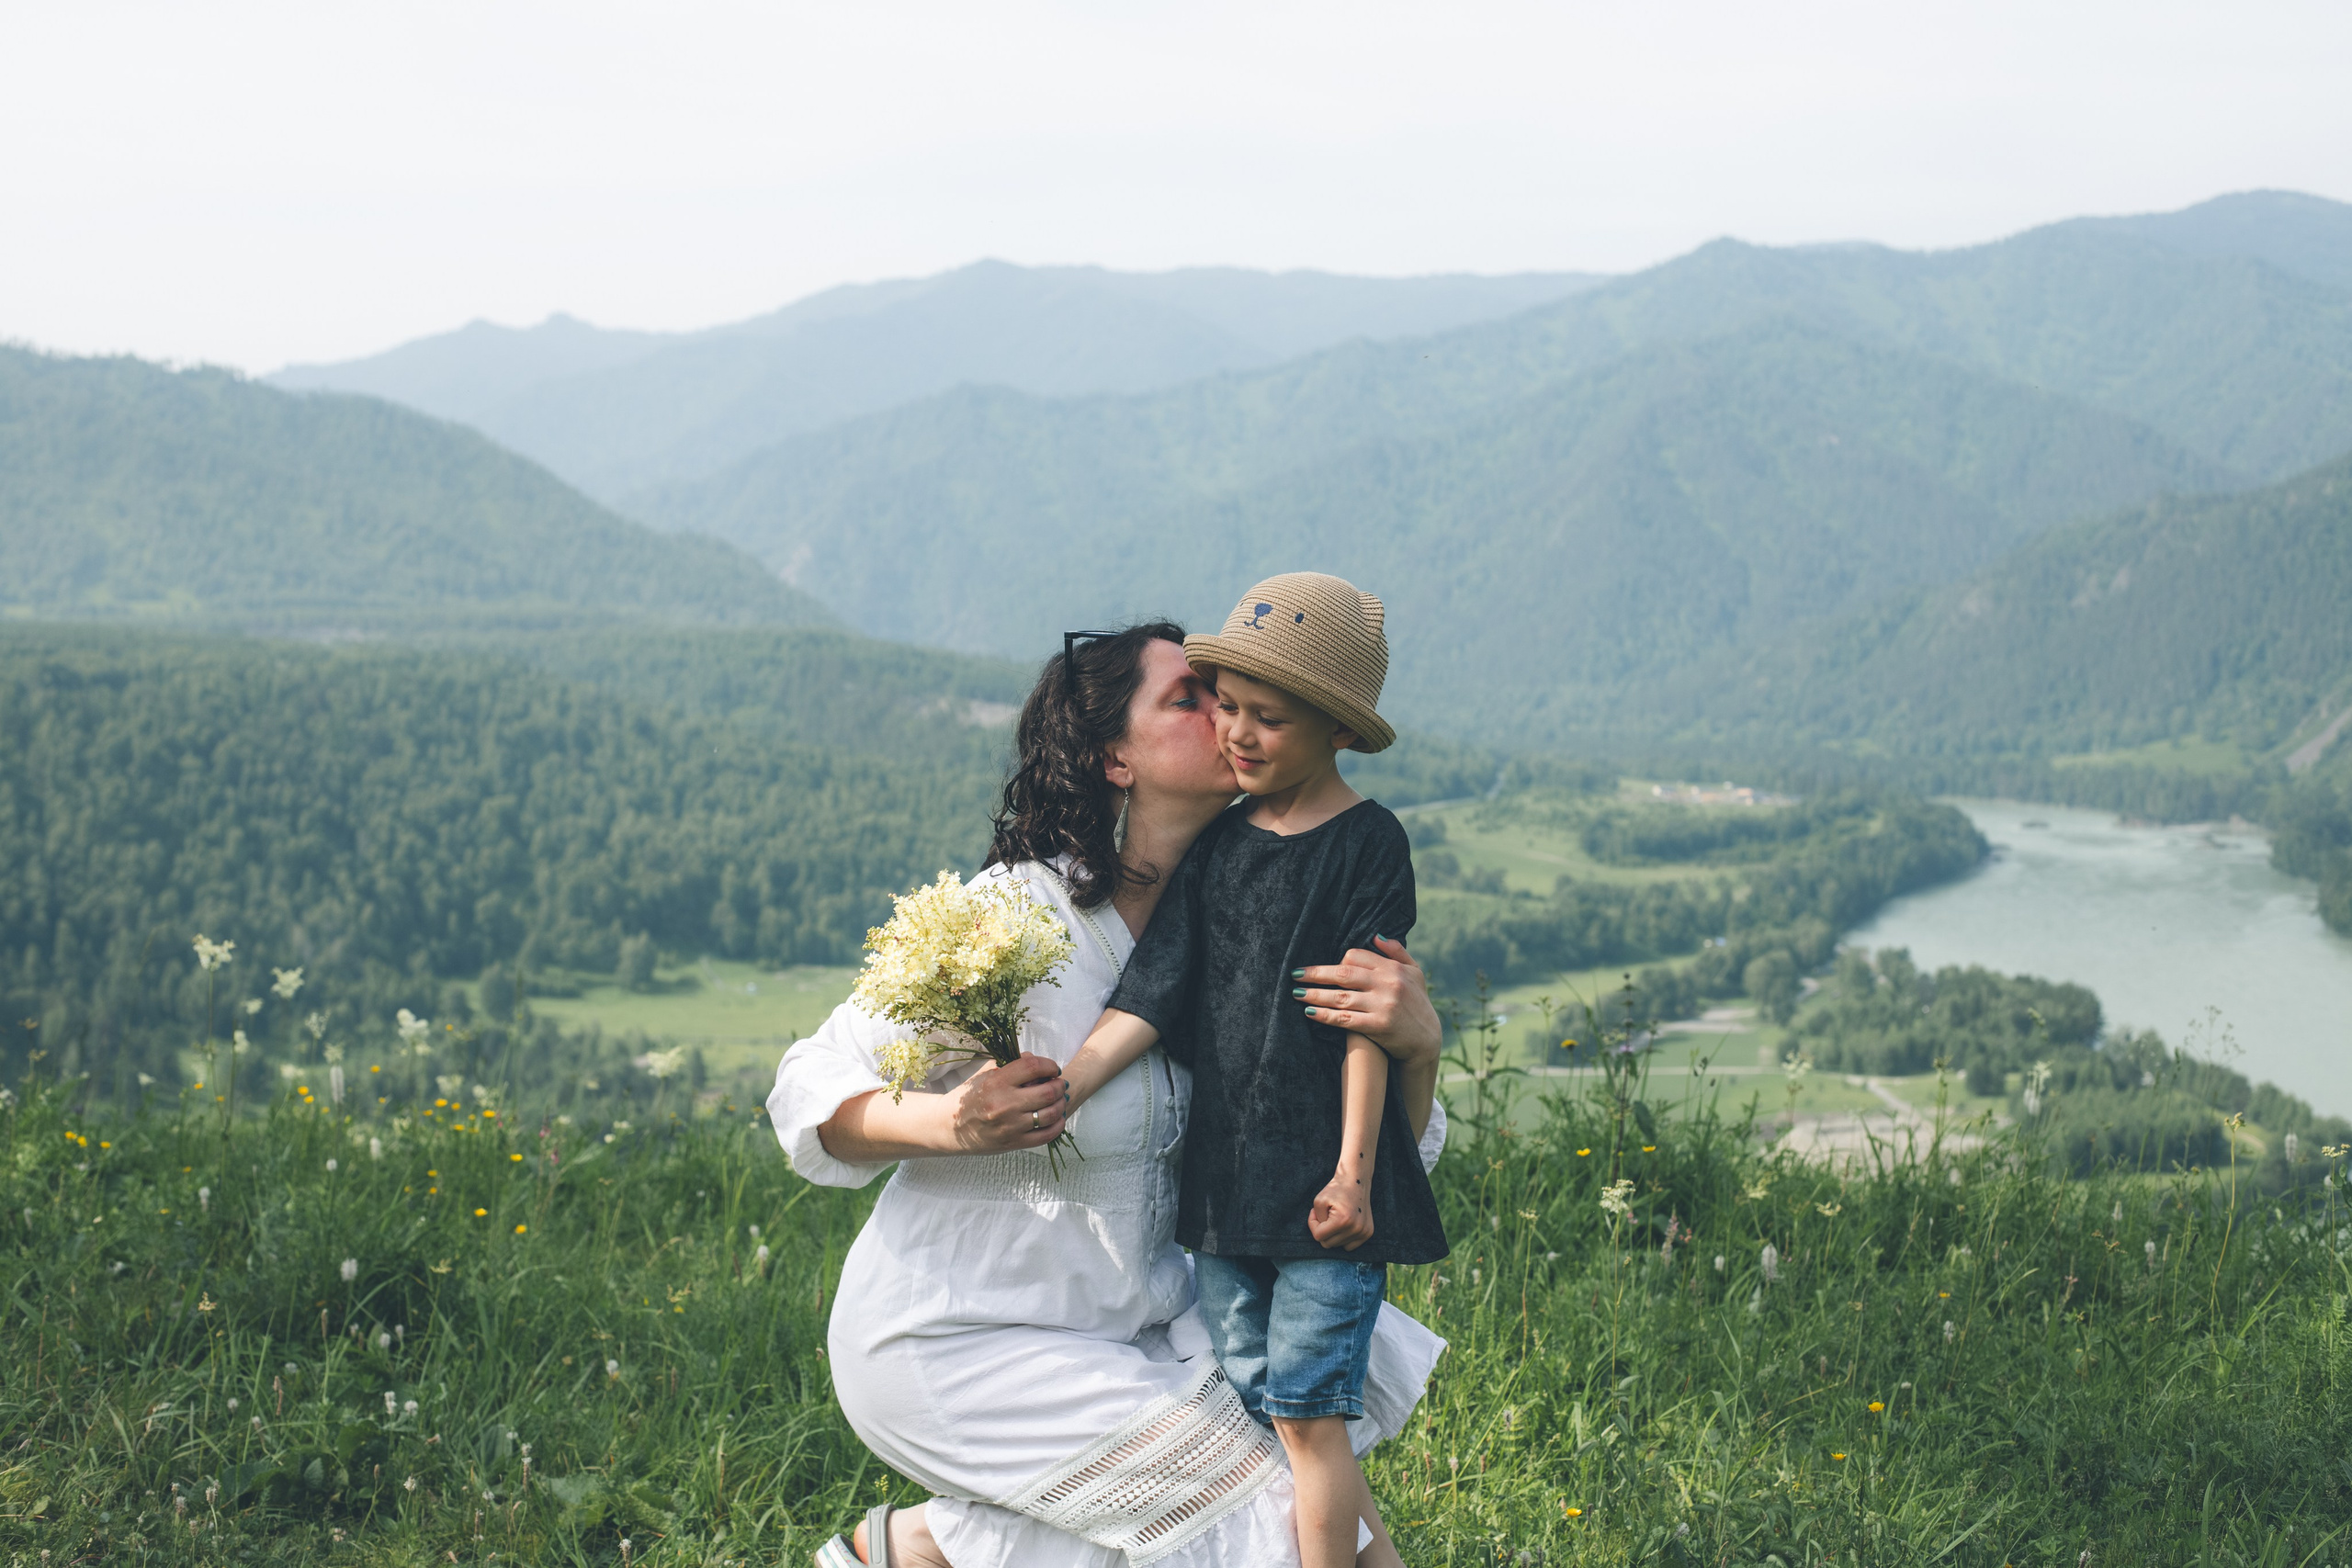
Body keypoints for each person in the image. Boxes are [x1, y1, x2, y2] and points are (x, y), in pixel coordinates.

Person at [769, 621, 1450, 1568]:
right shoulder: (1007, 923)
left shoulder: (1259, 906)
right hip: (962, 1338)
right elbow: (812, 1084)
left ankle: (915, 1553)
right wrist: (955, 1123)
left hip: (1140, 1330)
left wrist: (1416, 1050)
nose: (1230, 715)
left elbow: (1376, 1160)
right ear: (1113, 760)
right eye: (1190, 697)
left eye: (1237, 695)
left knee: (1261, 1484)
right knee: (1262, 1518)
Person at [1063, 575, 1446, 1568]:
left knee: (1310, 1418)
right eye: (1225, 704)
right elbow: (1152, 992)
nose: (1236, 731)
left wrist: (1354, 1172)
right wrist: (1065, 1087)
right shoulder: (1222, 847)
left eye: (1267, 717)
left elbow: (1366, 1020)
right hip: (1226, 1197)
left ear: (1340, 734)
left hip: (1325, 1190)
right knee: (1265, 1405)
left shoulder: (1367, 844)